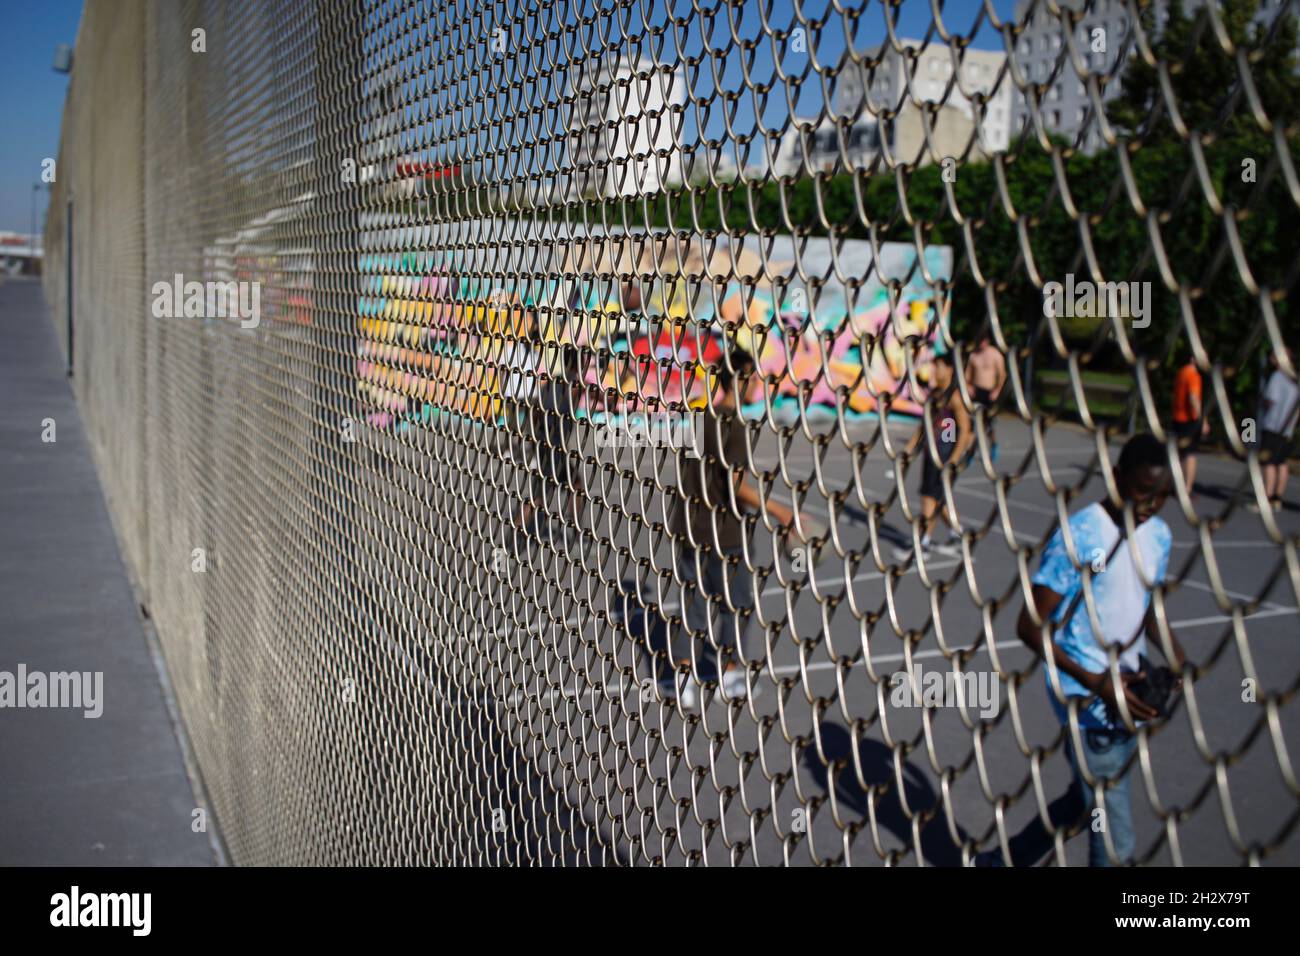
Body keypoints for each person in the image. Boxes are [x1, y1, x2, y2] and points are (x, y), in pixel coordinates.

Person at [991, 434, 1187, 867]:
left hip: (1130, 689)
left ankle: (1003, 861)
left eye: (1162, 497)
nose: (1150, 506)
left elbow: (1147, 606)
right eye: (1141, 494)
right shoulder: (1082, 534)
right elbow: (1030, 626)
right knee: (1115, 839)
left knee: (1088, 801)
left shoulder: (1160, 535)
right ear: (1116, 479)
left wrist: (1176, 655)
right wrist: (1097, 683)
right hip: (1086, 696)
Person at [665, 347, 809, 708]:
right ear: (739, 379)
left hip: (690, 524)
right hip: (726, 531)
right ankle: (730, 674)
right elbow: (738, 485)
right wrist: (780, 511)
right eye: (754, 377)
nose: (759, 384)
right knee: (737, 603)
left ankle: (684, 681)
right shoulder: (735, 425)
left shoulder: (701, 417)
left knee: (693, 602)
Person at [895, 352, 973, 560]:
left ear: (950, 369)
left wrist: (954, 459)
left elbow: (964, 429)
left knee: (929, 498)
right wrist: (910, 448)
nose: (934, 371)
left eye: (938, 366)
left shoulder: (955, 396)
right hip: (932, 450)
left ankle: (924, 543)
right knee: (937, 499)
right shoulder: (934, 395)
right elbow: (925, 425)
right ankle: (958, 535)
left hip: (946, 453)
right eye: (933, 366)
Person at [1254, 347, 1299, 512]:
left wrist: (1262, 401)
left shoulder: (1277, 377)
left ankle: (1266, 496)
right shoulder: (1294, 379)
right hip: (1287, 428)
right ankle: (1277, 498)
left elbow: (1270, 401)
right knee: (1281, 461)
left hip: (1273, 425)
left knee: (1269, 462)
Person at [1170, 350, 1209, 497]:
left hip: (1177, 417)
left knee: (1180, 453)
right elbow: (1193, 398)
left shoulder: (1182, 372)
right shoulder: (1194, 375)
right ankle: (1187, 488)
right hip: (1189, 419)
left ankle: (1177, 485)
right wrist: (1202, 420)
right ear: (1194, 358)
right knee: (1190, 454)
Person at [966, 334, 1006, 463]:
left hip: (990, 393)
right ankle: (970, 451)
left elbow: (1002, 374)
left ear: (987, 340)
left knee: (988, 424)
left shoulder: (995, 354)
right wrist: (969, 386)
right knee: (972, 424)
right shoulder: (973, 356)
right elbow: (968, 375)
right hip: (977, 392)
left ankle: (993, 444)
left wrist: (997, 390)